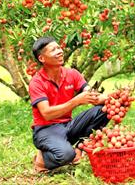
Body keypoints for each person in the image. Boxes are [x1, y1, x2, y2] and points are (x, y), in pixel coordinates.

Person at [29, 36, 109, 172]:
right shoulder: (36, 83)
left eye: (59, 48)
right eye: (53, 50)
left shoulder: (72, 74)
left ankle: (79, 148)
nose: (60, 51)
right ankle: (42, 158)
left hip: (69, 125)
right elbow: (47, 114)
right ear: (42, 58)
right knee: (66, 156)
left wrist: (113, 98)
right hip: (46, 130)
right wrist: (76, 101)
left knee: (104, 109)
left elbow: (92, 95)